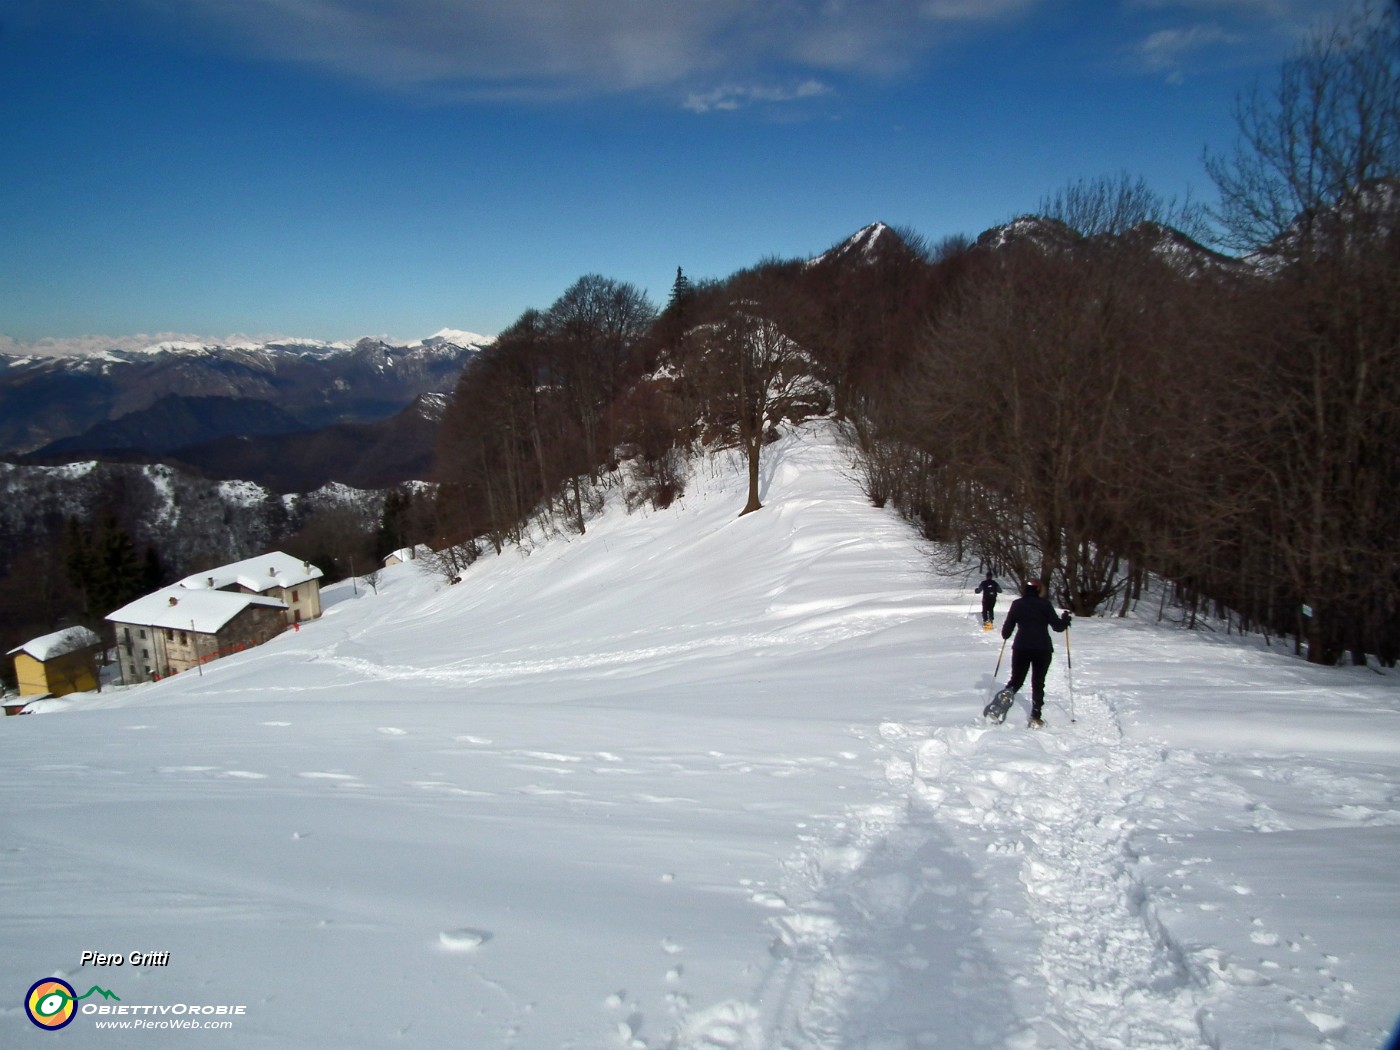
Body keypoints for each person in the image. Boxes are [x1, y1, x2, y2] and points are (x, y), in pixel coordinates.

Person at [1000, 579, 1071, 727]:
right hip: (1042, 648)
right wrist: (1065, 620)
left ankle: (1002, 704)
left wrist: (1007, 634)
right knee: (1038, 682)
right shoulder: (1045, 605)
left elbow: (1006, 632)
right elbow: (1057, 627)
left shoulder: (1017, 604)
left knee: (1016, 680)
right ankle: (1036, 716)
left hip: (1021, 647)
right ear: (1038, 590)